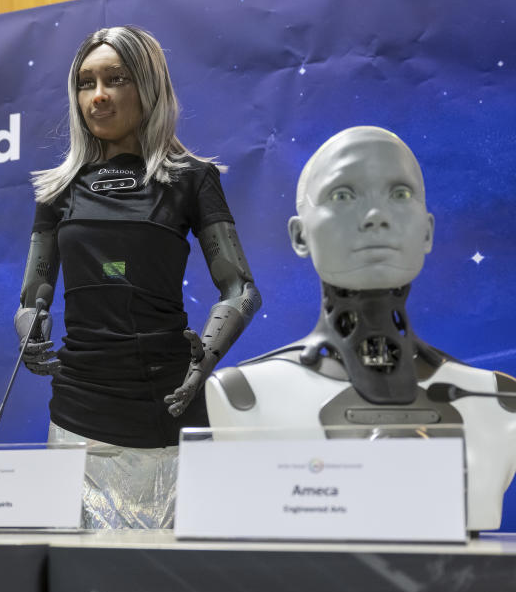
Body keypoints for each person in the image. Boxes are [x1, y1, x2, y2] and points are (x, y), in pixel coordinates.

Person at [205, 126, 516, 531]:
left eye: (400, 195)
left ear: (427, 231)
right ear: (300, 235)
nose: (376, 217)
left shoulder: (499, 401)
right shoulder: (243, 397)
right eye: (343, 195)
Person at [15, 26, 260, 527]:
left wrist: (203, 364)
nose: (98, 96)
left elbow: (240, 290)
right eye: (86, 83)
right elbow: (33, 297)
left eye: (116, 79)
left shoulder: (191, 179)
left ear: (148, 87)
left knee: (175, 586)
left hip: (169, 405)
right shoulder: (56, 191)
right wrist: (29, 331)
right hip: (79, 415)